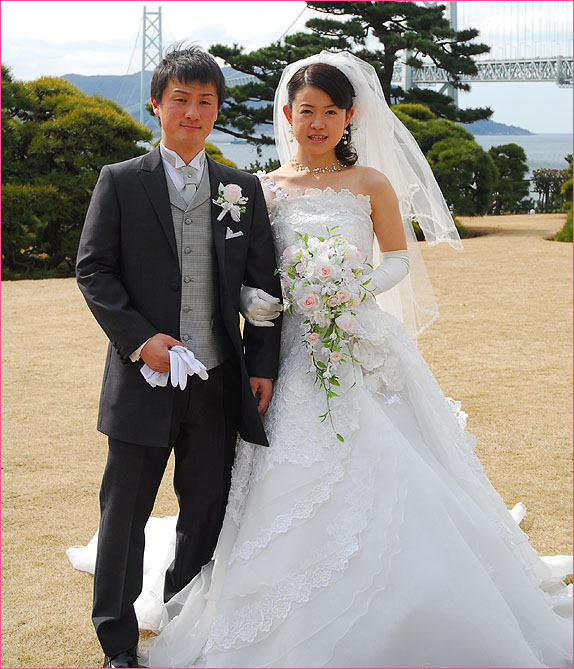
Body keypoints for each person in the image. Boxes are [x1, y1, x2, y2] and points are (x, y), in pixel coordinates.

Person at [72, 51, 572, 667]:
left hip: (291, 358)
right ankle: (121, 642)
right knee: (138, 507)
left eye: (330, 112)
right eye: (306, 111)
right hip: (190, 369)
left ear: (349, 117)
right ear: (287, 114)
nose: (317, 122)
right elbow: (118, 271)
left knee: (213, 507)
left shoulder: (262, 186)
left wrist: (338, 295)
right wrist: (167, 332)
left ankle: (191, 605)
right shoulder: (216, 185)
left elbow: (338, 265)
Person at [74, 46, 282, 668]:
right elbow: (94, 270)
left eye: (205, 102)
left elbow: (263, 286)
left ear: (217, 110)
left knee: (205, 510)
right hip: (142, 379)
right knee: (125, 515)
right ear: (156, 106)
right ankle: (117, 644)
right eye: (181, 100)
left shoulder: (242, 189)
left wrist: (262, 366)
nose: (193, 112)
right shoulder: (119, 181)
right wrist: (142, 340)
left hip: (217, 379)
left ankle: (183, 625)